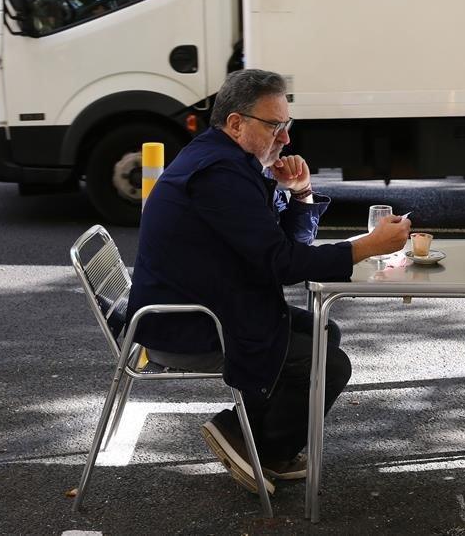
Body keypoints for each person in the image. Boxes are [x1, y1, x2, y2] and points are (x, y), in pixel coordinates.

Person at [127, 68, 411, 495]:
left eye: (287, 125)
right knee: (329, 363)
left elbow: (283, 247)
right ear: (237, 123)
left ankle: (253, 436)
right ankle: (259, 443)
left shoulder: (229, 161)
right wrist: (367, 246)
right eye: (275, 125)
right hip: (188, 323)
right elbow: (282, 263)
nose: (286, 139)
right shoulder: (219, 173)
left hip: (211, 304)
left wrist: (300, 194)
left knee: (323, 331)